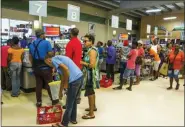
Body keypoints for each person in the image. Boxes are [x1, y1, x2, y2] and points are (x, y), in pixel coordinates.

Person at [44, 55, 83, 127]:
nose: (49, 65)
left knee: (69, 103)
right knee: (73, 100)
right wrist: (60, 92)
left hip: (74, 81)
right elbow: (62, 78)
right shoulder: (59, 60)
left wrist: (66, 84)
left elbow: (66, 69)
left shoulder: (54, 60)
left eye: (47, 63)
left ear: (48, 60)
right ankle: (73, 119)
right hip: (79, 77)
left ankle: (64, 123)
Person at [29, 29, 58, 107]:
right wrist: (54, 51)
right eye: (44, 34)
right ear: (42, 35)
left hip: (36, 67)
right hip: (45, 67)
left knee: (38, 84)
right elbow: (50, 54)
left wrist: (33, 66)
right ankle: (54, 100)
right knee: (49, 84)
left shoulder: (31, 44)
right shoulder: (46, 43)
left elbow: (30, 57)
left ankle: (39, 102)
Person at [80, 34, 99, 119]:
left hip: (90, 74)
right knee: (91, 91)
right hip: (89, 73)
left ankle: (91, 113)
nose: (84, 42)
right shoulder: (89, 50)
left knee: (90, 92)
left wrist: (81, 62)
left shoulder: (92, 51)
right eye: (83, 41)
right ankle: (93, 107)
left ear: (91, 41)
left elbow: (92, 65)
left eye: (85, 41)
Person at [65, 28, 82, 105]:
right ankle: (77, 99)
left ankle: (70, 102)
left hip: (72, 68)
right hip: (78, 67)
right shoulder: (79, 42)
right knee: (78, 86)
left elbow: (67, 58)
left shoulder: (70, 43)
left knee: (71, 86)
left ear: (71, 33)